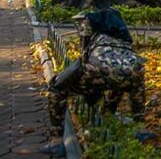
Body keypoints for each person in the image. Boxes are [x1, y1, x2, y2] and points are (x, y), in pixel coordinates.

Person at [46, 9, 146, 138]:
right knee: (122, 79)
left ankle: (56, 140)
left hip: (97, 72)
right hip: (131, 72)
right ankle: (139, 127)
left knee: (57, 89)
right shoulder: (123, 36)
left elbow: (83, 56)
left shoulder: (92, 27)